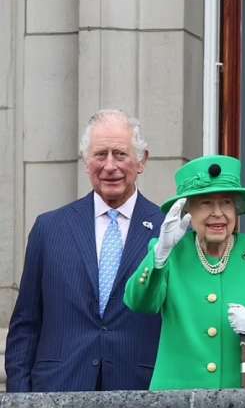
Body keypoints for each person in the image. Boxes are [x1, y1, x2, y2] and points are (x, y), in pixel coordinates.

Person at [5, 109, 163, 392]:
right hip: (57, 392)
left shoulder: (168, 231)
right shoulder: (49, 228)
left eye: (121, 154)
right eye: (100, 155)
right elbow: (26, 323)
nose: (110, 165)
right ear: (85, 162)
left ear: (142, 161)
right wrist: (19, 400)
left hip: (143, 395)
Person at [123, 155, 245, 390]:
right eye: (206, 203)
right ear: (188, 209)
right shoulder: (169, 252)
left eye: (226, 202)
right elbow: (138, 303)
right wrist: (160, 254)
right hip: (175, 407)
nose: (218, 213)